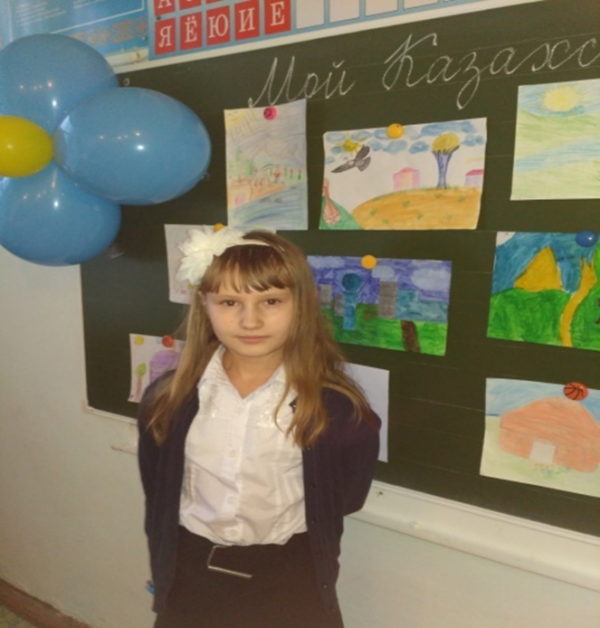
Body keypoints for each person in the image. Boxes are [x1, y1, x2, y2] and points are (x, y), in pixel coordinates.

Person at [137, 226, 381, 628]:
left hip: (291, 576)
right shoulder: (168, 400)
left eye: (271, 300)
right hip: (192, 575)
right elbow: (159, 483)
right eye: (229, 302)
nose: (250, 320)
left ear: (301, 304)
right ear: (204, 304)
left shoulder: (338, 408)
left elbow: (346, 496)